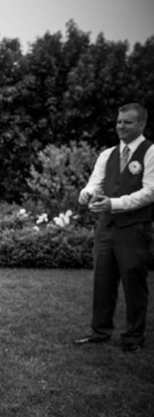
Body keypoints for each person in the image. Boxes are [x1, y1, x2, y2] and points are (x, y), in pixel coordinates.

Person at [75, 103, 154, 353]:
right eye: (119, 121)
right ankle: (99, 331)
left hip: (134, 228)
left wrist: (114, 203)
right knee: (103, 280)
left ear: (141, 124)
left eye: (127, 122)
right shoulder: (107, 154)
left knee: (133, 281)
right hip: (106, 228)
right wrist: (87, 194)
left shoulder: (151, 152)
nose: (120, 126)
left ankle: (133, 337)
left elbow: (150, 192)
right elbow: (95, 184)